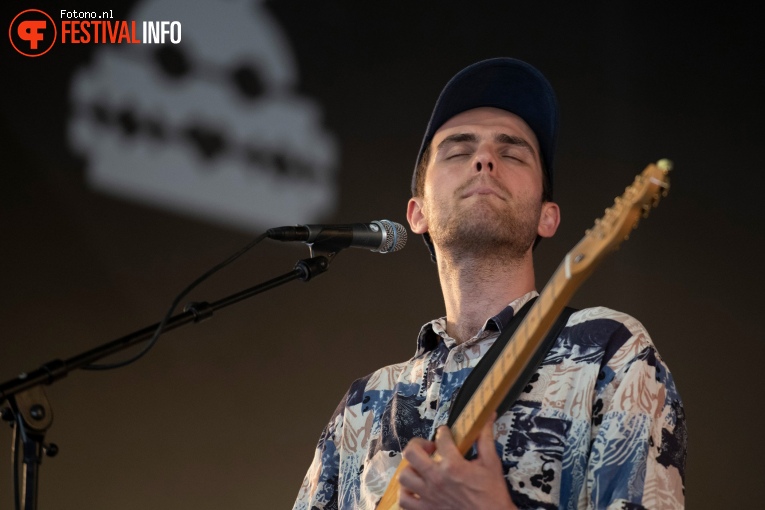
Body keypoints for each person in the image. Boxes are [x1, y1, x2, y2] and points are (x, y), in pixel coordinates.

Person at [292, 58, 686, 510]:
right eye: (459, 151)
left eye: (513, 153)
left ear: (548, 216)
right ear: (417, 213)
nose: (484, 159)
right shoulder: (365, 405)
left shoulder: (607, 350)